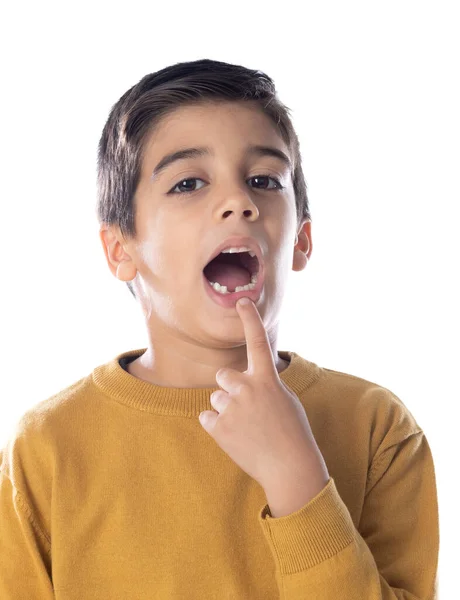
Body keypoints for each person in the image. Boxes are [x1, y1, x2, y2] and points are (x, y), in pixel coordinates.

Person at [0, 58, 439, 599]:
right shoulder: (44, 451)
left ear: (301, 240)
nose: (239, 202)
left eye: (263, 180)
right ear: (120, 250)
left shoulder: (379, 430)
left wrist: (298, 481)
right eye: (188, 183)